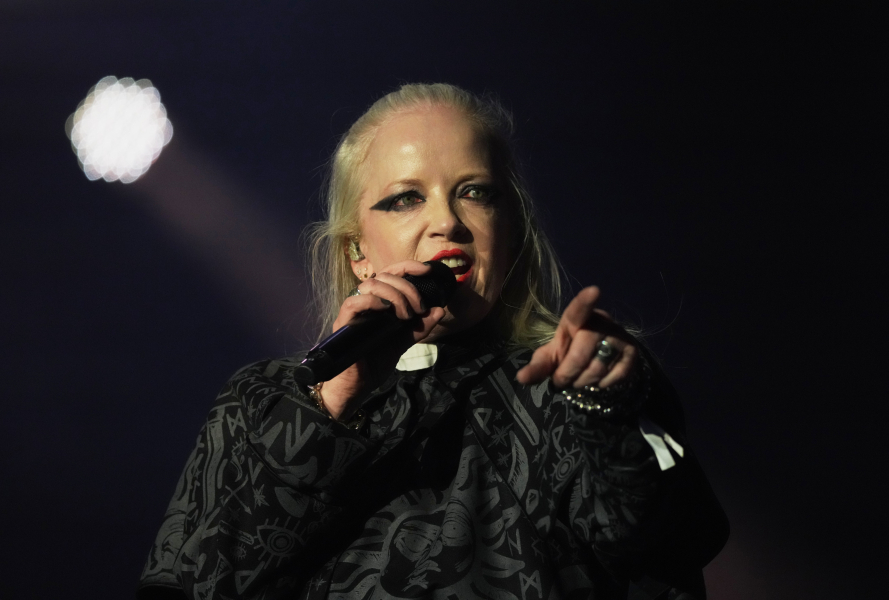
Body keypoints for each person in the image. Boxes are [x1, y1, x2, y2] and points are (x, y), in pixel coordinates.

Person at [137, 83, 728, 600]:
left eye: (476, 192)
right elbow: (202, 584)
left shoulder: (576, 380)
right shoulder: (261, 402)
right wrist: (333, 404)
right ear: (357, 252)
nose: (447, 222)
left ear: (511, 231)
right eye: (406, 199)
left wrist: (607, 410)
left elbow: (671, 548)